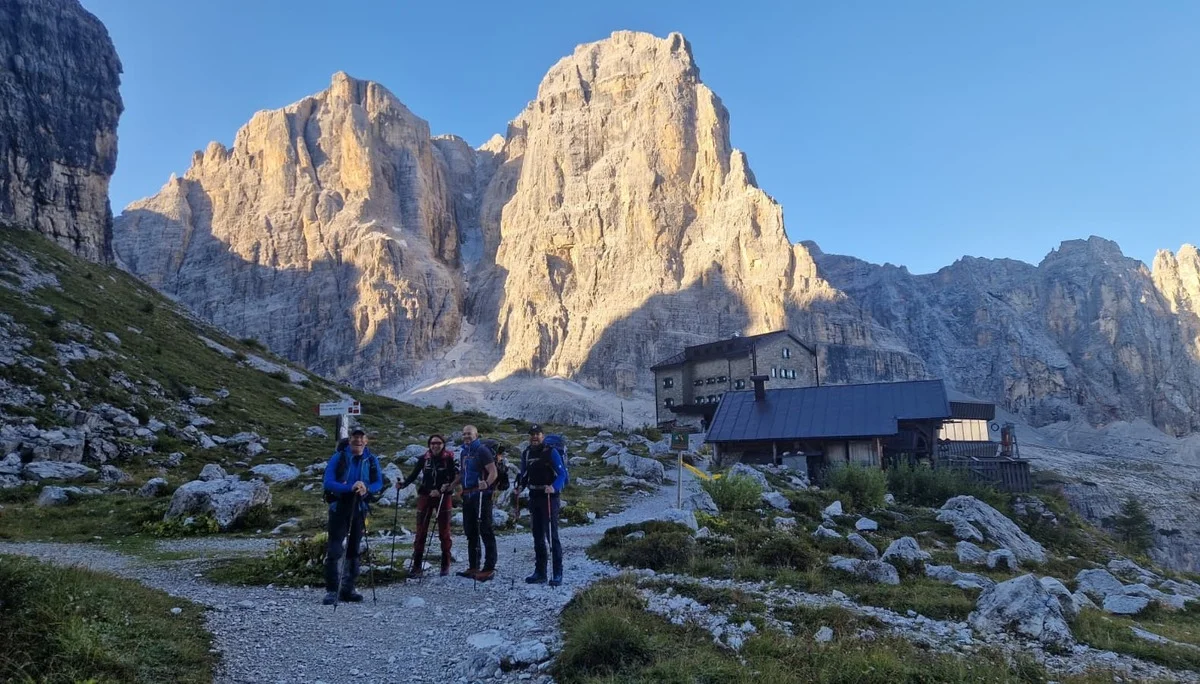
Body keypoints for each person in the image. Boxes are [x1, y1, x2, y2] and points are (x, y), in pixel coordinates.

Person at [321, 428, 384, 605]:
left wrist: (366, 488)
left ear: (366, 441)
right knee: (334, 548)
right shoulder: (339, 457)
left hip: (360, 507)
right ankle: (332, 590)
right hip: (340, 506)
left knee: (354, 549)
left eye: (361, 438)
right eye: (355, 438)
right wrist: (350, 487)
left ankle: (348, 589)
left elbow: (379, 482)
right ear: (350, 441)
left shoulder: (371, 459)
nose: (358, 441)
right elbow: (328, 482)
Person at [398, 434, 457, 577]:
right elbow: (414, 474)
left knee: (444, 532)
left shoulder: (449, 459)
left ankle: (445, 565)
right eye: (432, 443)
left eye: (438, 443)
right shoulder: (424, 459)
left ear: (443, 444)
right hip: (425, 495)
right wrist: (403, 484)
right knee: (420, 531)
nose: (435, 446)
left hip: (444, 496)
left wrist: (445, 488)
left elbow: (454, 476)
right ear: (429, 445)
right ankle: (416, 566)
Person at [518, 424, 567, 586]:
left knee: (551, 535)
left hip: (549, 497)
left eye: (538, 434)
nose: (534, 437)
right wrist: (519, 487)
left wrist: (554, 487)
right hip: (534, 496)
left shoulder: (551, 452)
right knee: (537, 535)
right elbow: (524, 475)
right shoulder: (526, 454)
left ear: (543, 436)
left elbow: (561, 474)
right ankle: (540, 572)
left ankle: (557, 572)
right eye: (532, 434)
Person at [451, 424, 498, 581]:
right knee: (470, 531)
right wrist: (451, 485)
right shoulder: (464, 452)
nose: (466, 436)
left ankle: (489, 567)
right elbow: (463, 473)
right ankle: (473, 566)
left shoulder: (482, 451)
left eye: (469, 434)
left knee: (485, 530)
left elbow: (493, 471)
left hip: (481, 495)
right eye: (464, 434)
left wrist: (487, 482)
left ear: (476, 435)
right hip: (468, 495)